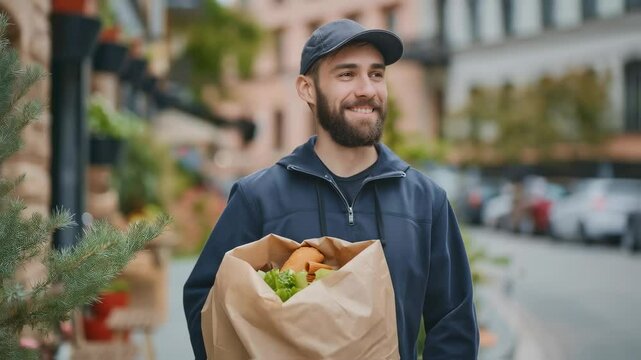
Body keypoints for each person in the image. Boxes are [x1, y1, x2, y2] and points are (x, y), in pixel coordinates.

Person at [184, 19, 479, 359]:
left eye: (376, 74)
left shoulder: (426, 202)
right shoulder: (258, 197)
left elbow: (454, 327)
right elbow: (204, 303)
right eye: (347, 74)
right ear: (307, 89)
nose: (367, 89)